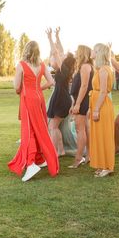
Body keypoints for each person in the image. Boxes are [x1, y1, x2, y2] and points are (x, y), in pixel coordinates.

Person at [8, 41, 59, 182]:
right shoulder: (42, 65)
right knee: (40, 129)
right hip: (39, 99)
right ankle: (41, 158)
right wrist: (38, 89)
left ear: (26, 50)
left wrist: (24, 90)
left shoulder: (21, 65)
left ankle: (31, 163)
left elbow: (17, 87)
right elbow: (51, 82)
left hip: (28, 99)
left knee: (29, 130)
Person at [45, 28, 75, 157]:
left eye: (63, 57)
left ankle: (55, 152)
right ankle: (60, 150)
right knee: (54, 126)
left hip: (61, 99)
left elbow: (57, 52)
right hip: (60, 98)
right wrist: (56, 37)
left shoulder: (65, 69)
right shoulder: (64, 70)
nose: (59, 57)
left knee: (53, 127)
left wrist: (50, 38)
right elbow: (57, 52)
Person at [88, 43, 115, 178]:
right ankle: (101, 164)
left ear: (99, 53)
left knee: (104, 135)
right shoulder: (99, 69)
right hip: (96, 102)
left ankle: (107, 166)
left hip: (102, 105)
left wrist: (96, 109)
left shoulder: (104, 70)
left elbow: (104, 91)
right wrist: (91, 108)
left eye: (94, 49)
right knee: (98, 136)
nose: (92, 51)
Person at [69, 45, 93, 168]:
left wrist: (77, 104)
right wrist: (74, 103)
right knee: (85, 129)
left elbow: (84, 86)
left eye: (77, 51)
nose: (75, 53)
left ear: (82, 53)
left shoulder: (85, 67)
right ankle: (89, 156)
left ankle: (78, 158)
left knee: (80, 130)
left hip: (83, 101)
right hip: (82, 100)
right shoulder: (86, 66)